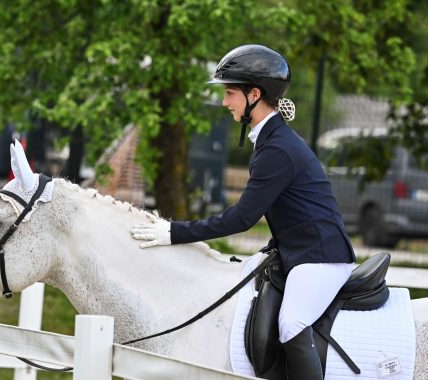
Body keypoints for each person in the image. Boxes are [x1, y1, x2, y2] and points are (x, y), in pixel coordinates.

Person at [131, 44, 356, 379]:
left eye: (230, 92)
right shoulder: (269, 139)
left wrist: (173, 232)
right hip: (299, 252)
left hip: (322, 256)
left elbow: (241, 218)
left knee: (292, 323)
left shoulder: (277, 147)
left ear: (254, 94)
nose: (224, 102)